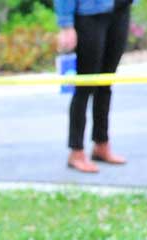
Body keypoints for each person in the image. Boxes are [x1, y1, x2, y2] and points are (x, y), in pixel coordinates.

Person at [55, 0, 133, 173]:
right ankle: (76, 151)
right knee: (85, 87)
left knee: (105, 84)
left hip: (119, 9)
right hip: (89, 14)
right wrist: (66, 24)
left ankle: (101, 144)